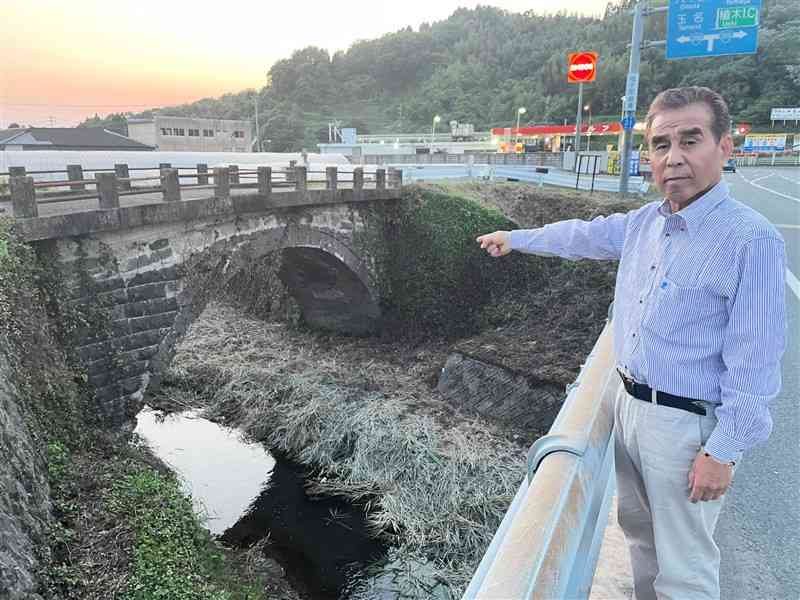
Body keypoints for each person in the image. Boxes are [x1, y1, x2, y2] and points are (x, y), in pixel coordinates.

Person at [476, 86, 787, 600]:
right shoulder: (646, 222)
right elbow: (582, 236)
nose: (674, 157)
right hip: (628, 407)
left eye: (691, 140)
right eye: (661, 144)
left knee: (685, 569)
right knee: (642, 543)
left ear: (724, 147)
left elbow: (756, 362)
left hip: (688, 428)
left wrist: (724, 452)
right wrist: (519, 238)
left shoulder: (750, 239)